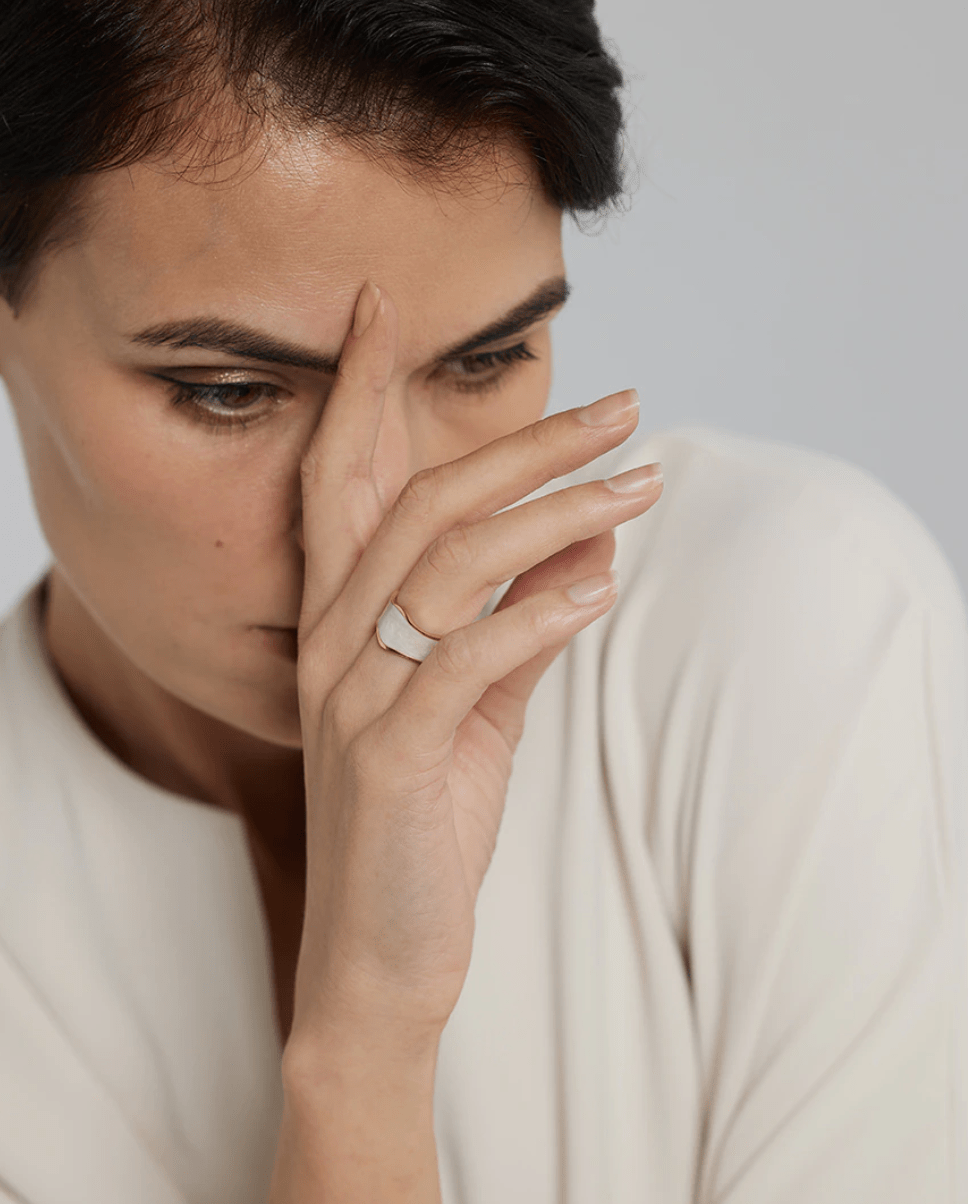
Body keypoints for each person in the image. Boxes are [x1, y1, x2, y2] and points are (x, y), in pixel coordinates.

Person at [0, 1, 965, 1201]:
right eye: (231, 389)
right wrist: (363, 1048)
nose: (374, 509)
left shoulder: (785, 632)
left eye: (484, 360)